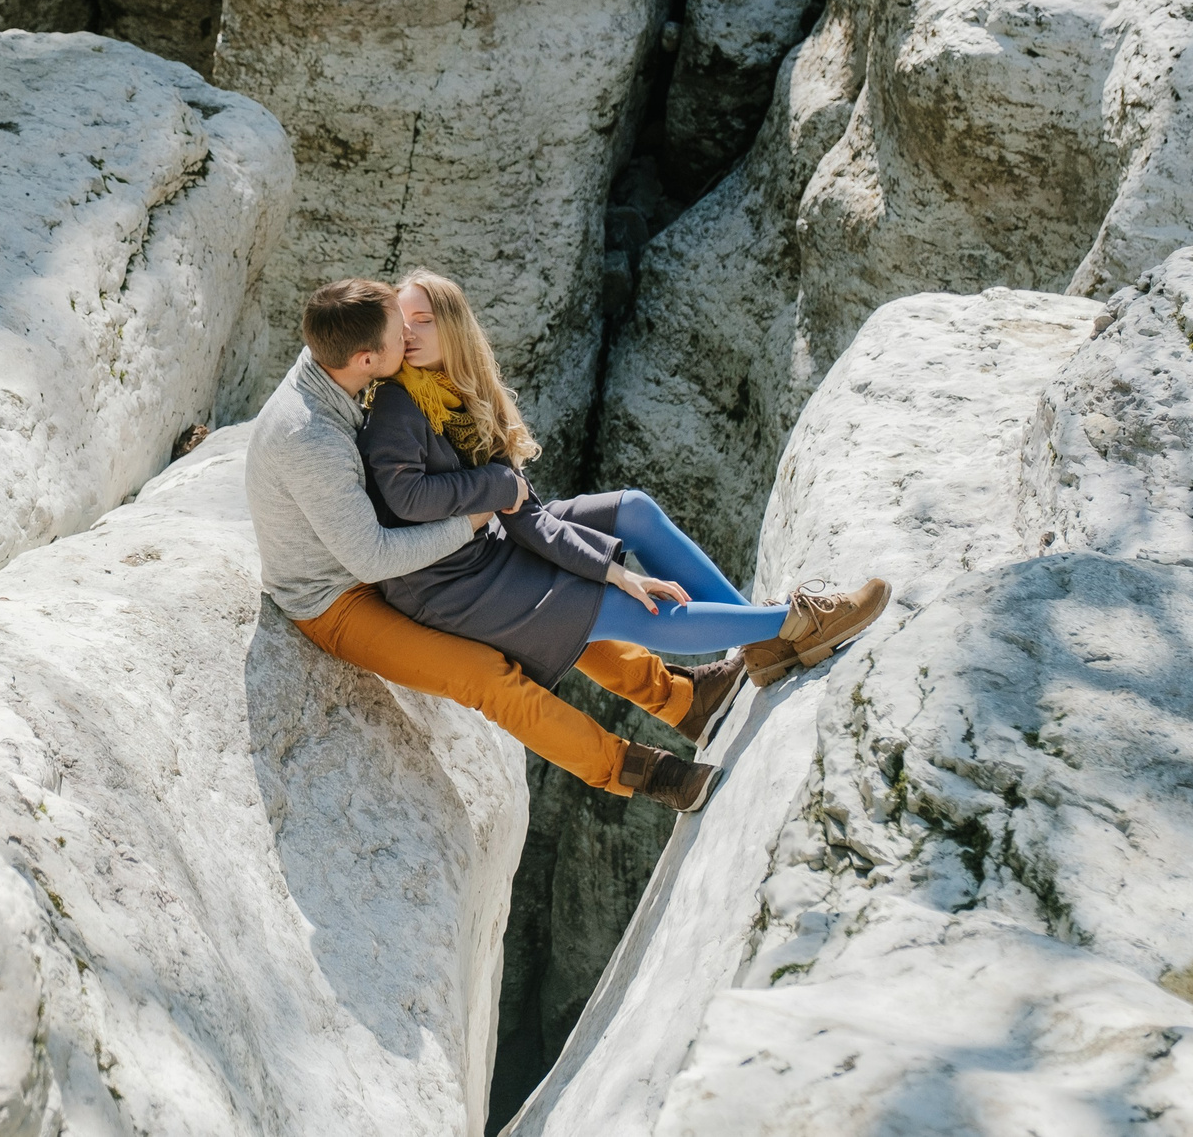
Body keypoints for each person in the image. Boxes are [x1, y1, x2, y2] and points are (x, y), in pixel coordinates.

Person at [358, 269, 888, 802]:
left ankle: (764, 644)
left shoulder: (462, 395)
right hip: (449, 584)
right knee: (616, 606)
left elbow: (529, 517)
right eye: (402, 322)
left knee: (632, 511)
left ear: (453, 327)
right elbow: (408, 498)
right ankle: (795, 623)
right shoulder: (397, 402)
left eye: (423, 320)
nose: (408, 333)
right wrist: (499, 488)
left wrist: (610, 567)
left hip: (490, 544)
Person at [243, 279, 710, 812]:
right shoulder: (310, 439)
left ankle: (684, 701)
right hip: (338, 596)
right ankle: (637, 772)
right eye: (403, 333)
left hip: (390, 554)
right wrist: (474, 518)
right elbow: (369, 557)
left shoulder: (337, 350)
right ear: (368, 358)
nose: (411, 339)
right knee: (486, 678)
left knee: (546, 599)